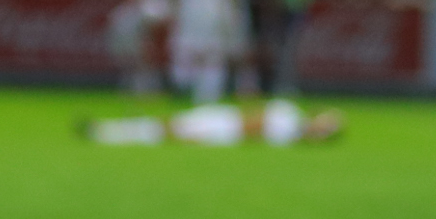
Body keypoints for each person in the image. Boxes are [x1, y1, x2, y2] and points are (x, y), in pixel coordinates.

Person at [165, 0, 250, 105]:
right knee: (212, 53)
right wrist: (234, 12)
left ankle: (184, 89)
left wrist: (176, 6)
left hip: (189, 5)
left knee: (188, 49)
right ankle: (206, 94)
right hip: (215, 5)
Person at [82, 99, 343, 146]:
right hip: (225, 118)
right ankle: (107, 129)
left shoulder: (290, 138)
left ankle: (105, 133)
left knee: (166, 132)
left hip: (225, 131)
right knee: (166, 125)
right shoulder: (290, 113)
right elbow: (254, 113)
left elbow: (254, 130)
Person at [106, 0, 173, 96]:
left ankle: (134, 92)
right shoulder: (161, 1)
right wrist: (147, 45)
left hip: (121, 33)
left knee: (135, 67)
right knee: (141, 65)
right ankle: (146, 93)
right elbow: (150, 22)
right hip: (127, 34)